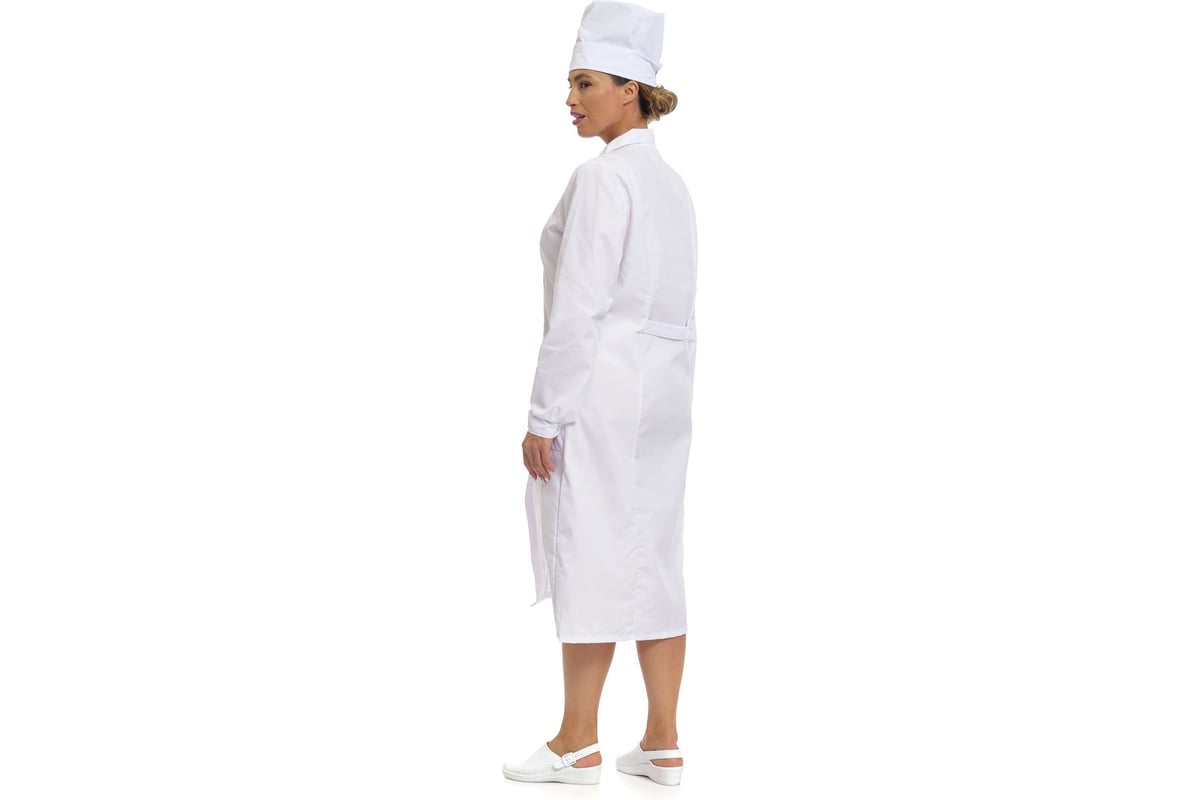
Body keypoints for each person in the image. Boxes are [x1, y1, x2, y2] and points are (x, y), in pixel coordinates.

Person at [503, 0, 698, 788]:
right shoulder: (672, 187)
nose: (571, 99)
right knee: (655, 560)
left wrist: (543, 416)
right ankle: (662, 740)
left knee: (587, 552)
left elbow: (579, 309)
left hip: (601, 399)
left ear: (630, 89)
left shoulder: (602, 179)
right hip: (664, 404)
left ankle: (577, 739)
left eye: (585, 83)